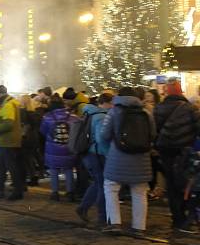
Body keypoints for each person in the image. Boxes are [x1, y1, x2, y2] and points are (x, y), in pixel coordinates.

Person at [100, 87, 155, 234]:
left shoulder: (113, 112)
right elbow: (153, 134)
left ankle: (115, 223)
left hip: (118, 157)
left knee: (111, 188)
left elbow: (104, 135)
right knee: (139, 192)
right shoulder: (146, 113)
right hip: (141, 158)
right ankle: (139, 226)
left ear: (118, 96)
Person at [154, 78, 200, 233]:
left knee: (172, 185)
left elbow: (154, 131)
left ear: (167, 91)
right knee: (186, 184)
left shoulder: (159, 108)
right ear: (179, 90)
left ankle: (177, 218)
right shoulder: (190, 108)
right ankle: (187, 216)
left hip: (166, 152)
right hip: (185, 152)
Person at [76, 93, 113, 224]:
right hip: (97, 154)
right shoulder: (102, 116)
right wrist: (109, 154)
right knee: (103, 184)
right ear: (107, 103)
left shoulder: (89, 113)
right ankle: (102, 216)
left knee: (98, 182)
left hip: (88, 153)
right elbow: (101, 139)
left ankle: (83, 207)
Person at [0, 85, 26, 200]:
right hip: (7, 141)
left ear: (0, 94)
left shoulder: (8, 105)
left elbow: (8, 124)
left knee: (10, 167)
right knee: (3, 167)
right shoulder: (10, 104)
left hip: (7, 141)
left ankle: (17, 191)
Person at [40, 96, 79, 201]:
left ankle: (55, 193)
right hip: (69, 148)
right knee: (69, 169)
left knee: (53, 170)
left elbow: (43, 131)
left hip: (52, 148)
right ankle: (70, 193)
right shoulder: (73, 117)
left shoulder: (47, 117)